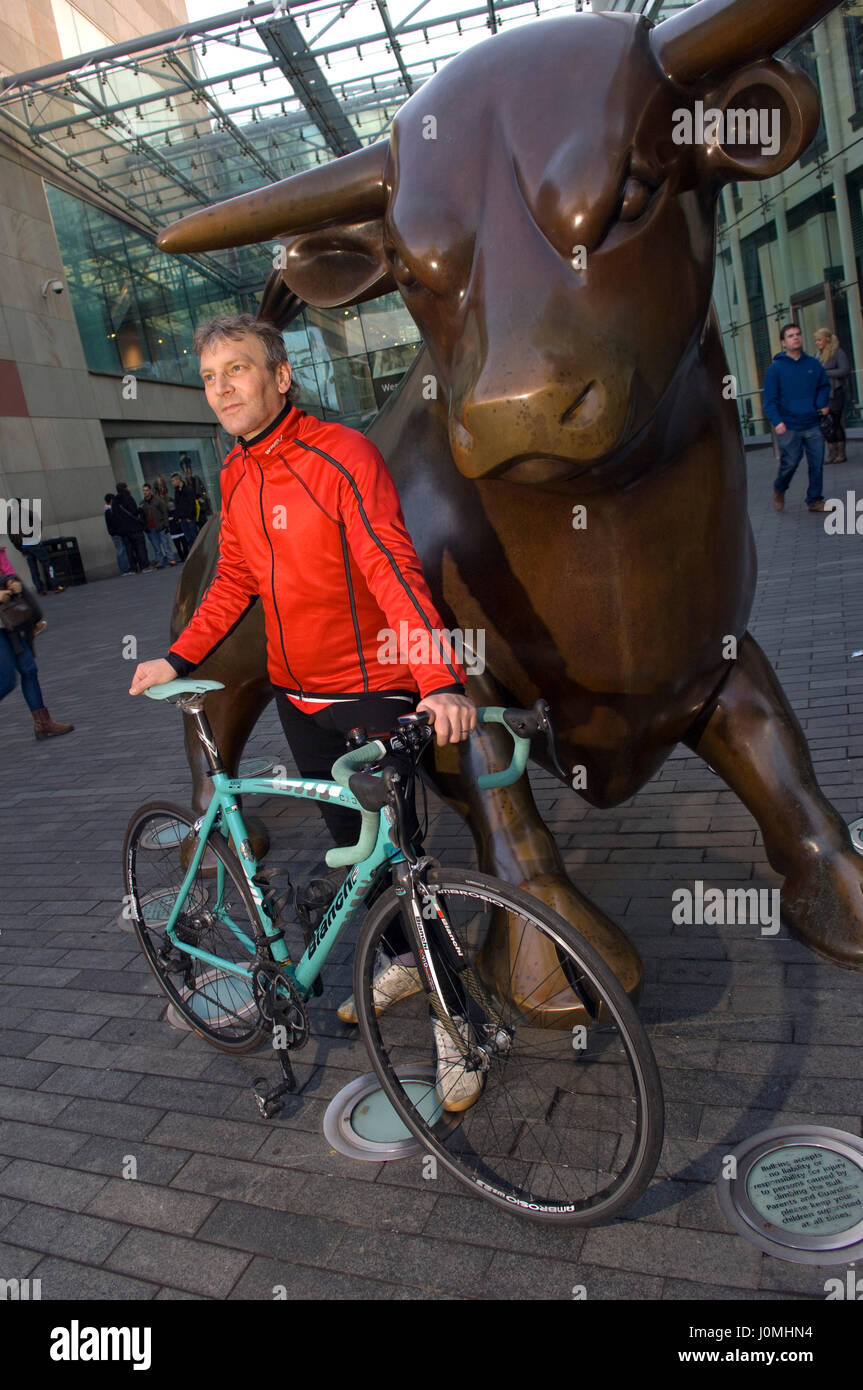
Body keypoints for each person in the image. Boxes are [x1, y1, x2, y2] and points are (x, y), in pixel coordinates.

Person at [129, 313, 479, 1106]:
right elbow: (233, 582)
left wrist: (437, 680)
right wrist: (178, 657)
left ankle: (456, 1026)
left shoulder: (340, 455)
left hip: (372, 690)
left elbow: (393, 566)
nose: (222, 388)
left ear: (279, 377)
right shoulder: (235, 474)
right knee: (356, 863)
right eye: (211, 375)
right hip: (300, 698)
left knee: (399, 866)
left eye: (238, 370)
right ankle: (393, 969)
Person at [763, 323, 831, 513]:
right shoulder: (775, 369)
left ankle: (815, 500)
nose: (796, 338)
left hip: (812, 422)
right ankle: (780, 488)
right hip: (789, 425)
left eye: (798, 334)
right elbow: (769, 400)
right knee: (790, 462)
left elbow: (824, 386)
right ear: (783, 343)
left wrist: (822, 403)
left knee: (816, 463)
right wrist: (777, 422)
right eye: (791, 335)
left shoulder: (813, 364)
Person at [0, 573, 73, 739]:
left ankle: (43, 723)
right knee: (6, 682)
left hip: (7, 625)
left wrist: (9, 583)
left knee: (29, 670)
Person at [8, 499, 64, 595]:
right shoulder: (25, 512)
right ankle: (56, 586)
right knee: (47, 563)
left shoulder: (10, 518)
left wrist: (20, 548)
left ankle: (40, 590)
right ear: (20, 504)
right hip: (33, 541)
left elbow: (11, 536)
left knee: (33, 568)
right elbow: (38, 521)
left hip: (24, 545)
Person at [814, 327, 850, 465]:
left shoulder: (838, 352)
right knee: (825, 424)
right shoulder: (817, 355)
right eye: (816, 340)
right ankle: (831, 453)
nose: (817, 343)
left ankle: (841, 454)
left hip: (835, 392)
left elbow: (844, 370)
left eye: (819, 340)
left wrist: (825, 372)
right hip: (822, 394)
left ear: (826, 340)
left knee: (835, 422)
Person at [110, 490, 149, 573]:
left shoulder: (115, 502)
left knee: (129, 550)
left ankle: (133, 568)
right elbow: (134, 511)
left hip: (124, 531)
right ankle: (144, 566)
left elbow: (115, 518)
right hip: (134, 528)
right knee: (140, 547)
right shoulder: (128, 498)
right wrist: (140, 509)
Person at [140, 483, 177, 568]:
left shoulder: (158, 500)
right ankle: (160, 562)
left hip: (160, 525)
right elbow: (142, 517)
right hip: (150, 528)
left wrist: (166, 525)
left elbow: (164, 512)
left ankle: (171, 559)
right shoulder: (142, 503)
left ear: (150, 491)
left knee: (165, 544)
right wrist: (145, 527)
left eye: (146, 490)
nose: (145, 492)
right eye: (143, 491)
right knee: (156, 547)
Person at [181, 456, 212, 529]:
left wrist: (202, 498)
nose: (187, 472)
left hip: (201, 509)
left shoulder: (196, 479)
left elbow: (203, 491)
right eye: (185, 470)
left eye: (188, 469)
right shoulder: (184, 484)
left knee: (205, 526)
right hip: (193, 511)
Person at [170, 471, 199, 551]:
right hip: (182, 519)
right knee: (188, 538)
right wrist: (178, 517)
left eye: (173, 481)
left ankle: (198, 552)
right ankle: (193, 553)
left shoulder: (188, 489)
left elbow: (192, 504)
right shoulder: (176, 491)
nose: (172, 483)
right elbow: (177, 505)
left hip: (189, 518)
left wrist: (190, 516)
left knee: (194, 537)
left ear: (178, 479)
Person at [104, 494, 132, 575]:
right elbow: (113, 523)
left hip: (115, 533)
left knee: (121, 550)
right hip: (116, 533)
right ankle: (124, 570)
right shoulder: (110, 510)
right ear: (111, 500)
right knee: (121, 550)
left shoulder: (108, 510)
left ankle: (124, 569)